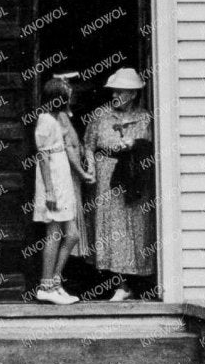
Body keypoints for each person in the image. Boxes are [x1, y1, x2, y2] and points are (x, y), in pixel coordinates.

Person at [84, 67, 157, 301]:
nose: (117, 95)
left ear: (134, 94)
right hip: (106, 175)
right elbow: (87, 145)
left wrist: (135, 144)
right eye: (115, 90)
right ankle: (118, 283)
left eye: (123, 92)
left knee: (133, 228)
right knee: (110, 228)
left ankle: (132, 284)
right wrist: (92, 169)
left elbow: (153, 147)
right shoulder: (100, 116)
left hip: (133, 175)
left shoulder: (145, 118)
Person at [32, 76, 93, 304]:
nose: (71, 97)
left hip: (63, 176)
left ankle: (54, 281)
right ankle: (45, 285)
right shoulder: (45, 120)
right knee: (54, 233)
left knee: (73, 235)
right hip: (53, 181)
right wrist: (49, 191)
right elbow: (43, 157)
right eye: (67, 93)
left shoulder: (59, 118)